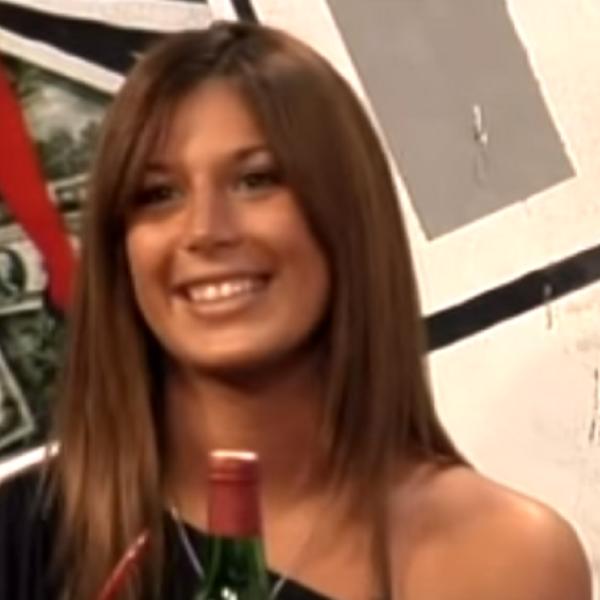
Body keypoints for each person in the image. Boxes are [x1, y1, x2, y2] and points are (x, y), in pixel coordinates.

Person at [0, 20, 592, 600]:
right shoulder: (26, 533)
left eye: (256, 180)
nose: (205, 230)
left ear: (347, 213)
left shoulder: (508, 561)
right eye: (159, 194)